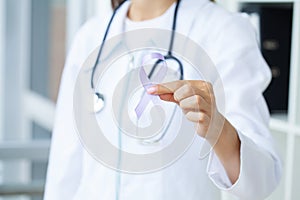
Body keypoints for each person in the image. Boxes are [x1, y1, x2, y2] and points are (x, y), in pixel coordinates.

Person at [44, 0, 282, 199]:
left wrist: (217, 128)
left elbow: (260, 181)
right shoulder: (90, 36)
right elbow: (64, 169)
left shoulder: (222, 31)